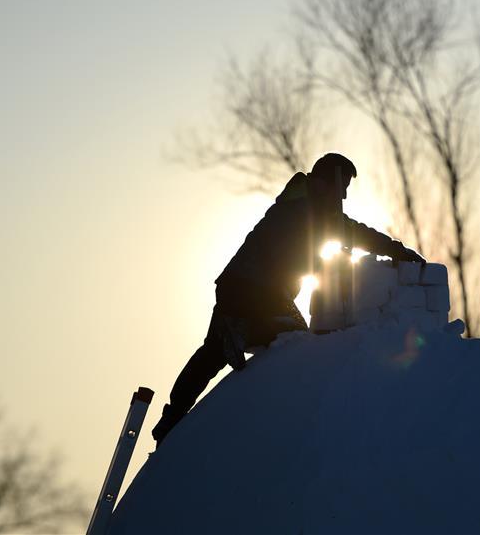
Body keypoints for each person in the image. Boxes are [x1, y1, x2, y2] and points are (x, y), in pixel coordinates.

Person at [151, 152, 424, 447]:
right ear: (329, 181)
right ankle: (245, 335)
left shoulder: (304, 208)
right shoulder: (304, 211)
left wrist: (395, 249)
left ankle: (172, 418)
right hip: (256, 292)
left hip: (240, 289)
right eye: (342, 185)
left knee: (212, 355)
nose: (344, 194)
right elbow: (313, 248)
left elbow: (351, 233)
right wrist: (328, 264)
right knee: (294, 341)